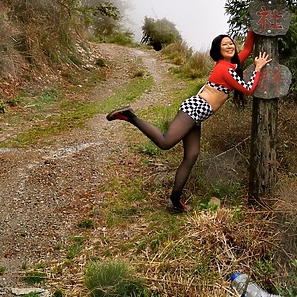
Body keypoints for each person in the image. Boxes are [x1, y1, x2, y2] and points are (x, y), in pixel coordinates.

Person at [106, 29, 272, 213]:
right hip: (195, 108)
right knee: (165, 142)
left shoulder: (232, 64)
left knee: (191, 155)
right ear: (217, 50)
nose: (229, 45)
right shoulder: (223, 68)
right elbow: (248, 89)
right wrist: (257, 68)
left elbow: (248, 48)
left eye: (231, 43)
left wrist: (253, 27)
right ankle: (131, 116)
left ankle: (174, 201)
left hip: (199, 114)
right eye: (224, 44)